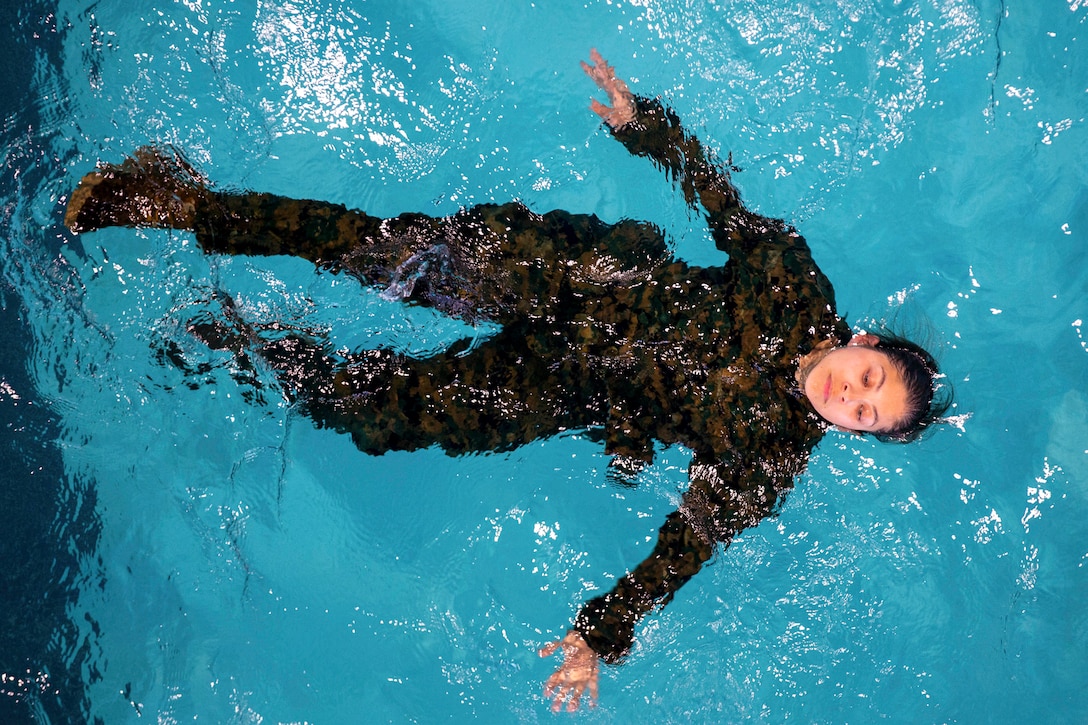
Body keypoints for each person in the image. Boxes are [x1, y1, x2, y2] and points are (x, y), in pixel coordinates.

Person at [64, 49, 950, 712]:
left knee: (378, 416)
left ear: (854, 435)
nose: (852, 396)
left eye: (867, 415)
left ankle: (251, 344)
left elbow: (686, 548)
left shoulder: (770, 457)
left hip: (567, 386)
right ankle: (183, 202)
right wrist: (651, 129)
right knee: (384, 257)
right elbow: (724, 204)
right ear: (860, 338)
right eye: (868, 376)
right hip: (580, 274)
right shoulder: (796, 281)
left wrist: (600, 636)